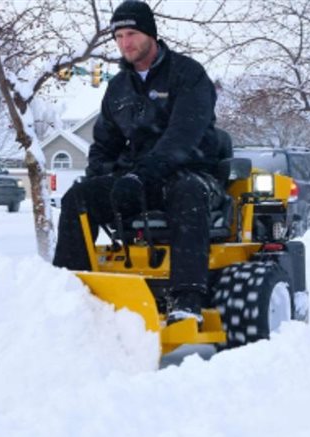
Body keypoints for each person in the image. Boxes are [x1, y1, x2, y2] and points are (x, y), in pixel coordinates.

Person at [52, 0, 221, 325]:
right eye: (118, 37)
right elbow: (105, 144)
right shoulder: (118, 88)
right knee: (78, 198)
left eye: (132, 33)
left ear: (151, 35)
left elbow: (182, 138)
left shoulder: (188, 75)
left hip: (190, 173)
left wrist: (141, 176)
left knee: (187, 191)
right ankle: (69, 291)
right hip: (137, 181)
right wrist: (101, 177)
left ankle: (186, 300)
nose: (125, 43)